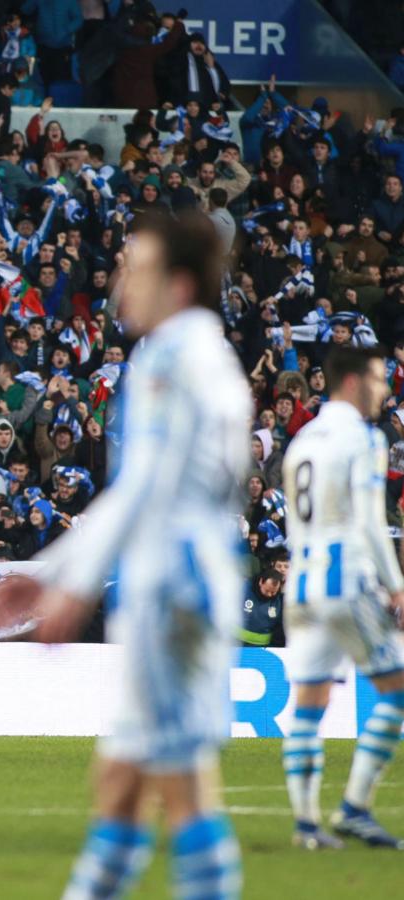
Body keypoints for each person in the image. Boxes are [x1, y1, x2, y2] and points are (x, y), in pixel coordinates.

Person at [27, 212, 250, 898]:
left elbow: (145, 485)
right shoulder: (206, 355)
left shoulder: (171, 357)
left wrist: (69, 580)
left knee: (184, 791)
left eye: (139, 270)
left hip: (172, 586)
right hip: (190, 578)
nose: (121, 282)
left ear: (179, 287)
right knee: (121, 783)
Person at [281, 346, 404, 850]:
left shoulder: (302, 440)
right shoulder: (363, 438)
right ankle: (354, 808)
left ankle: (306, 826)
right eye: (378, 379)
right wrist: (395, 586)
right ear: (352, 381)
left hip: (302, 586)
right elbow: (371, 522)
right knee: (395, 691)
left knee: (308, 704)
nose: (385, 389)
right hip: (345, 580)